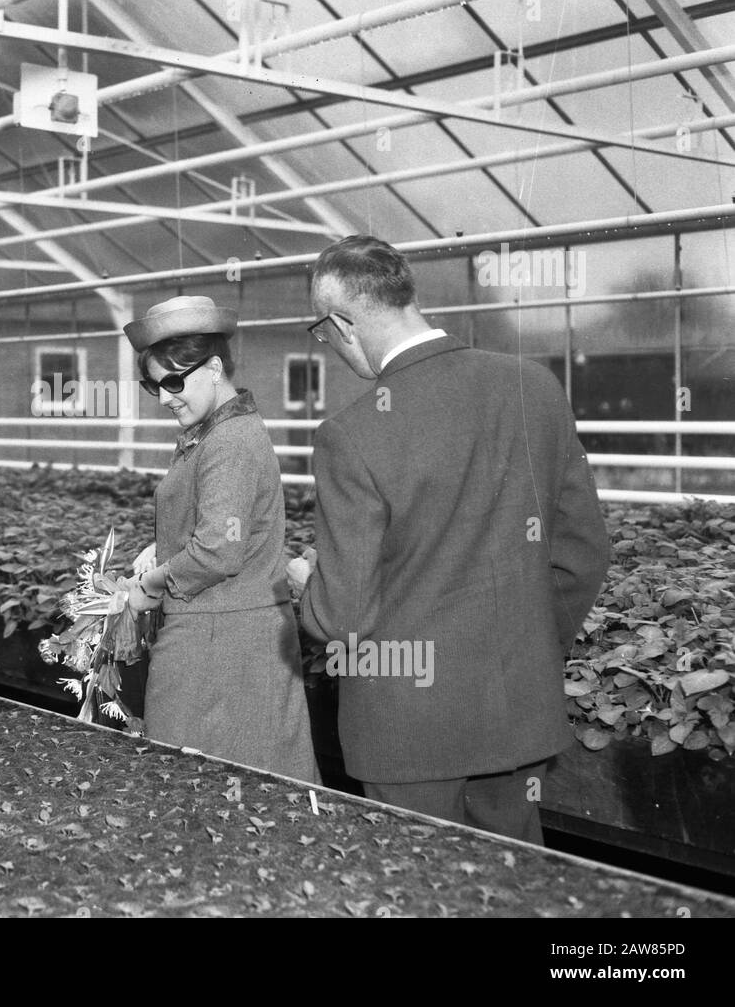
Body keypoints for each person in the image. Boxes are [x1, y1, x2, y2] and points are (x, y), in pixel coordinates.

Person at [292, 235, 609, 843]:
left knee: (420, 892)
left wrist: (311, 588)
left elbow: (342, 620)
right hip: (517, 714)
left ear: (341, 323)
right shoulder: (532, 387)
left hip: (407, 735)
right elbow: (582, 555)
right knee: (516, 889)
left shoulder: (350, 436)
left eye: (322, 332)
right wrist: (526, 650)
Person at [122, 295, 317, 783]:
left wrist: (149, 587)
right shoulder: (214, 430)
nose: (165, 397)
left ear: (212, 367)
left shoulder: (228, 441)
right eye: (153, 385)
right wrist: (161, 549)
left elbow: (217, 550)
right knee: (239, 790)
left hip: (221, 647)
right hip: (227, 638)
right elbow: (216, 526)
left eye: (172, 381)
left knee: (200, 787)